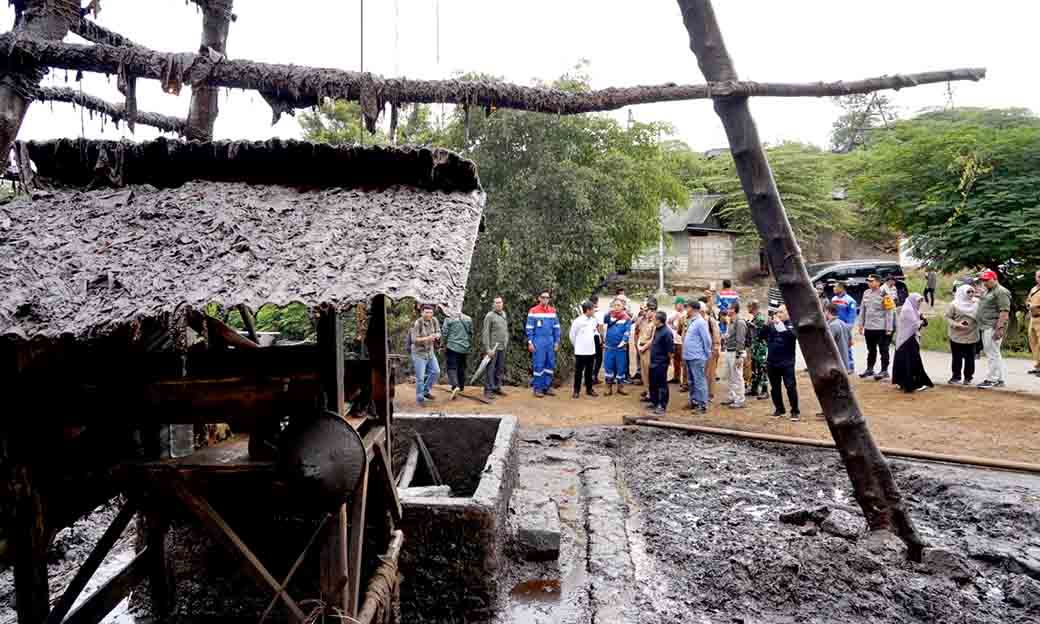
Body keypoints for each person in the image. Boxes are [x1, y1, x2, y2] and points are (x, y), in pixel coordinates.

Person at [761, 305, 800, 421]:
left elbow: (792, 336)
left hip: (787, 362)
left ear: (788, 313)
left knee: (790, 387)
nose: (778, 314)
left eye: (781, 312)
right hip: (772, 362)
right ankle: (779, 409)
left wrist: (780, 325)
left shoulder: (791, 324)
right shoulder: (772, 324)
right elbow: (761, 336)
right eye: (777, 312)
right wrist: (766, 325)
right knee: (775, 388)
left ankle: (795, 411)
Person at [975, 269, 1011, 389]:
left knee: (992, 353)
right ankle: (999, 379)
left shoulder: (1001, 291)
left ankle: (992, 379)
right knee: (994, 353)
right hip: (986, 325)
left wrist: (999, 328)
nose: (985, 282)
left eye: (987, 280)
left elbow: (1004, 311)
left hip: (993, 326)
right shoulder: (989, 290)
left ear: (994, 279)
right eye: (984, 280)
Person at [892, 294, 934, 393]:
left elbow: (917, 319)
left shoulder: (912, 309)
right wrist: (922, 322)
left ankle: (903, 382)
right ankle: (913, 384)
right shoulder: (908, 310)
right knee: (912, 362)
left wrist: (921, 318)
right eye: (918, 301)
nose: (919, 303)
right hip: (907, 340)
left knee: (906, 362)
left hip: (906, 340)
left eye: (920, 301)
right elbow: (915, 324)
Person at [858, 274, 895, 381]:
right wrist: (861, 325)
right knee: (871, 350)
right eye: (868, 281)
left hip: (881, 328)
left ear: (878, 282)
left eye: (871, 281)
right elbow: (862, 310)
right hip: (869, 327)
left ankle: (884, 370)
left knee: (883, 349)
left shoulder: (884, 294)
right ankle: (870, 369)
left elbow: (889, 312)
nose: (869, 283)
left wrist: (889, 328)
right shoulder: (866, 293)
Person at [526, 290, 561, 397]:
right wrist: (530, 342)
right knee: (538, 365)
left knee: (550, 364)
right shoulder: (533, 311)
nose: (545, 299)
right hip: (538, 341)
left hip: (550, 341)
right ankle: (538, 389)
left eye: (547, 297)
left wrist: (556, 342)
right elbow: (529, 328)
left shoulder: (552, 311)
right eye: (543, 297)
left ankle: (547, 387)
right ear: (539, 298)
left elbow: (556, 328)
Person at [946, 284, 979, 385]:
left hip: (972, 335)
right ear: (961, 293)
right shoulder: (954, 304)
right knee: (957, 357)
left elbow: (981, 316)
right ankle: (956, 377)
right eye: (968, 292)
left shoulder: (977, 303)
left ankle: (968, 377)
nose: (971, 294)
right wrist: (957, 324)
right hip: (956, 335)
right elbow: (948, 317)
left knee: (970, 358)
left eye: (972, 291)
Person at [410, 304, 442, 407]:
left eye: (431, 312)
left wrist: (437, 335)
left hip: (430, 352)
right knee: (420, 377)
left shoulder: (434, 321)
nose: (429, 314)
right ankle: (420, 398)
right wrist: (428, 338)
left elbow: (438, 332)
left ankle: (425, 391)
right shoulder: (417, 323)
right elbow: (414, 340)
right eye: (426, 312)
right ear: (422, 313)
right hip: (419, 353)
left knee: (436, 371)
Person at [683, 301, 711, 413]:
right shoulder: (692, 321)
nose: (686, 309)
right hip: (690, 356)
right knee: (691, 381)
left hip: (697, 356)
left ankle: (702, 405)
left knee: (699, 381)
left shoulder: (700, 322)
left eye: (688, 307)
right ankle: (694, 401)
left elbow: (707, 340)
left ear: (693, 309)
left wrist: (706, 354)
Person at [569, 301, 601, 399]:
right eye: (592, 309)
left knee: (589, 371)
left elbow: (594, 332)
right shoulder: (578, 321)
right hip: (580, 351)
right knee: (579, 371)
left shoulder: (593, 320)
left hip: (591, 350)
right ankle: (576, 390)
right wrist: (577, 345)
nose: (594, 311)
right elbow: (572, 335)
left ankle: (589, 389)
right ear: (587, 310)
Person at [442, 309, 474, 400]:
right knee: (462, 367)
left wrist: (442, 345)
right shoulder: (468, 318)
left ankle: (455, 386)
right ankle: (461, 386)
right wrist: (467, 344)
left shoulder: (448, 319)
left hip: (452, 347)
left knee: (451, 367)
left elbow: (444, 333)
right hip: (464, 348)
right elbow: (471, 333)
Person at [721, 303, 748, 409]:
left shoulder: (740, 322)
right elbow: (729, 335)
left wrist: (738, 356)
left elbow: (741, 340)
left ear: (734, 310)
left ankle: (740, 400)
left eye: (729, 308)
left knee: (737, 377)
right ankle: (732, 397)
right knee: (729, 376)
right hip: (729, 351)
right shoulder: (731, 321)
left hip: (735, 353)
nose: (727, 310)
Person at [603, 298, 632, 395]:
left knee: (621, 367)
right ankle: (608, 387)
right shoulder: (608, 316)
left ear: (623, 307)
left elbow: (627, 332)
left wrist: (623, 342)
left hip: (620, 348)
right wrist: (603, 341)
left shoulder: (627, 318)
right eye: (615, 305)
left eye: (619, 305)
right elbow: (603, 328)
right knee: (608, 367)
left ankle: (621, 387)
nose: (616, 307)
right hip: (609, 347)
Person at [482, 296, 509, 400]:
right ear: (493, 304)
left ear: (502, 304)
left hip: (502, 347)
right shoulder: (489, 316)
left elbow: (505, 330)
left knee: (500, 368)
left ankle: (497, 387)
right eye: (496, 303)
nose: (499, 304)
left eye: (500, 302)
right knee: (490, 369)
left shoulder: (504, 314)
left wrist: (506, 341)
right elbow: (485, 333)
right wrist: (488, 348)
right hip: (493, 348)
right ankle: (488, 390)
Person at [648, 310, 674, 415]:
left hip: (661, 363)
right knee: (653, 383)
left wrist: (669, 362)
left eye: (654, 318)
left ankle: (662, 405)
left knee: (662, 384)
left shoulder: (667, 332)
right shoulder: (657, 329)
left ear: (659, 320)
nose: (652, 319)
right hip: (653, 361)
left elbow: (670, 350)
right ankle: (654, 402)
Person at [699, 296, 723, 401]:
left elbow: (716, 335)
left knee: (710, 373)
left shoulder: (710, 321)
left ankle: (710, 394)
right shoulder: (697, 321)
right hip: (701, 351)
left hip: (711, 351)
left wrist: (715, 348)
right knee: (703, 373)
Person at [830, 282, 858, 373]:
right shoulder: (834, 299)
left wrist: (848, 328)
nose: (834, 288)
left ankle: (850, 366)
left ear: (841, 288)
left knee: (847, 347)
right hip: (835, 325)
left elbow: (852, 316)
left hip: (845, 327)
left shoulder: (850, 300)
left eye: (835, 287)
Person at [636, 298, 659, 400]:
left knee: (650, 373)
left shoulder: (656, 322)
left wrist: (643, 347)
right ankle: (648, 391)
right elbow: (638, 332)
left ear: (652, 311)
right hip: (642, 349)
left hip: (649, 350)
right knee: (644, 373)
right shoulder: (643, 320)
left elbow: (653, 339)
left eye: (646, 310)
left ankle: (652, 394)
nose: (644, 312)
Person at [747, 301, 769, 400]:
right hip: (755, 347)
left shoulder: (760, 318)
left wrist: (750, 325)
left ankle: (765, 391)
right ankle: (754, 388)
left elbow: (760, 332)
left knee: (762, 368)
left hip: (760, 348)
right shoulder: (756, 317)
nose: (747, 308)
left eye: (749, 306)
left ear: (753, 307)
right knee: (755, 368)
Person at [668, 298, 687, 384]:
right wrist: (673, 326)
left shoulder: (686, 314)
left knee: (684, 361)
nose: (677, 306)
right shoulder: (674, 314)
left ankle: (685, 381)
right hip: (675, 339)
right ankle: (676, 377)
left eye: (678, 304)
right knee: (676, 360)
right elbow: (668, 322)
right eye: (676, 304)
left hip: (682, 341)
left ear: (682, 305)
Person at [1028, 270, 1040, 376]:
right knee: (1033, 343)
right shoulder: (1033, 289)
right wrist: (1029, 305)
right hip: (1033, 318)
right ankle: (1037, 366)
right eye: (1038, 276)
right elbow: (1028, 300)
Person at [590, 295, 604, 385]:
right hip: (596, 337)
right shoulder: (599, 313)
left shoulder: (585, 311)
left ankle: (589, 376)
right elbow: (600, 327)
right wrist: (602, 339)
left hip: (587, 337)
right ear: (597, 302)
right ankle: (594, 376)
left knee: (590, 357)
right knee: (599, 358)